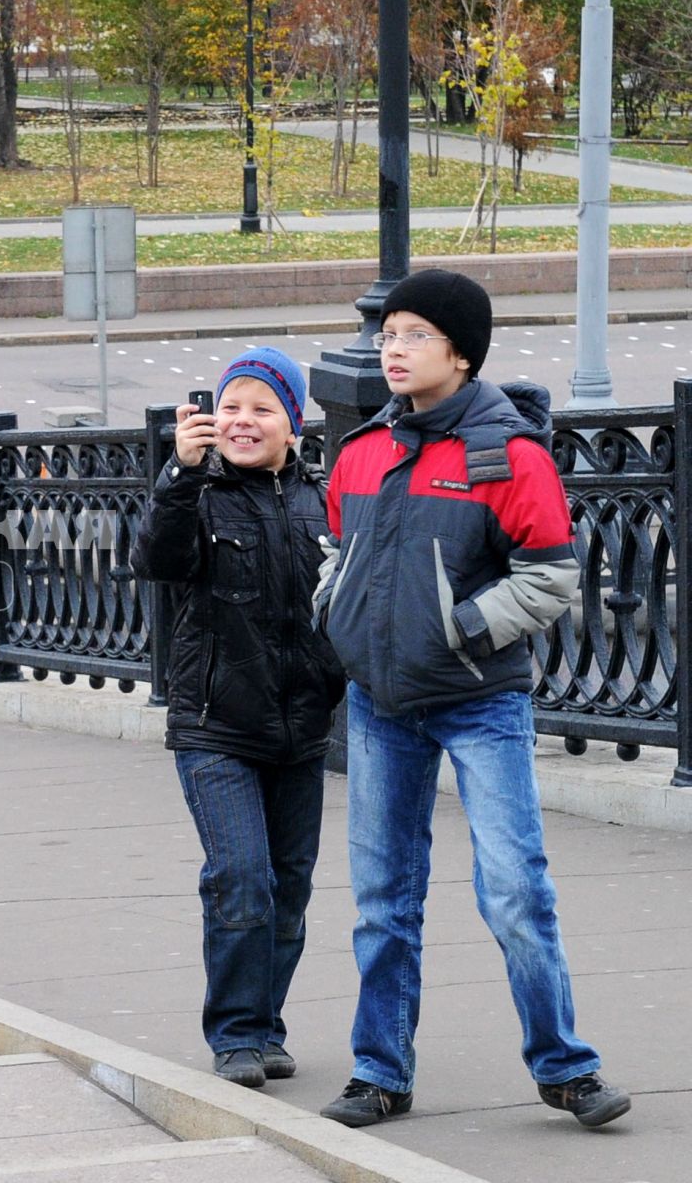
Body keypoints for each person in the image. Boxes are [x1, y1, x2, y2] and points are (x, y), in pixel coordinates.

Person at [313, 269, 629, 1129]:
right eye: (387, 335)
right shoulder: (362, 451)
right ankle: (380, 1073)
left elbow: (553, 577)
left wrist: (457, 631)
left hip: (479, 702)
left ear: (460, 351)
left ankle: (565, 1069)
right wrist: (333, 607)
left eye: (413, 334)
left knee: (514, 891)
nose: (392, 349)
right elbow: (338, 552)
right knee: (382, 900)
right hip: (380, 704)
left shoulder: (508, 455)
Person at [131, 347, 344, 1089]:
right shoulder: (198, 492)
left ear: (293, 423)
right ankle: (236, 1034)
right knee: (241, 878)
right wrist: (179, 476)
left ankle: (267, 1024)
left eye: (261, 409)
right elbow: (156, 561)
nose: (242, 422)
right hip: (215, 726)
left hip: (302, 726)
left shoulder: (320, 499)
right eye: (231, 407)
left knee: (289, 886)